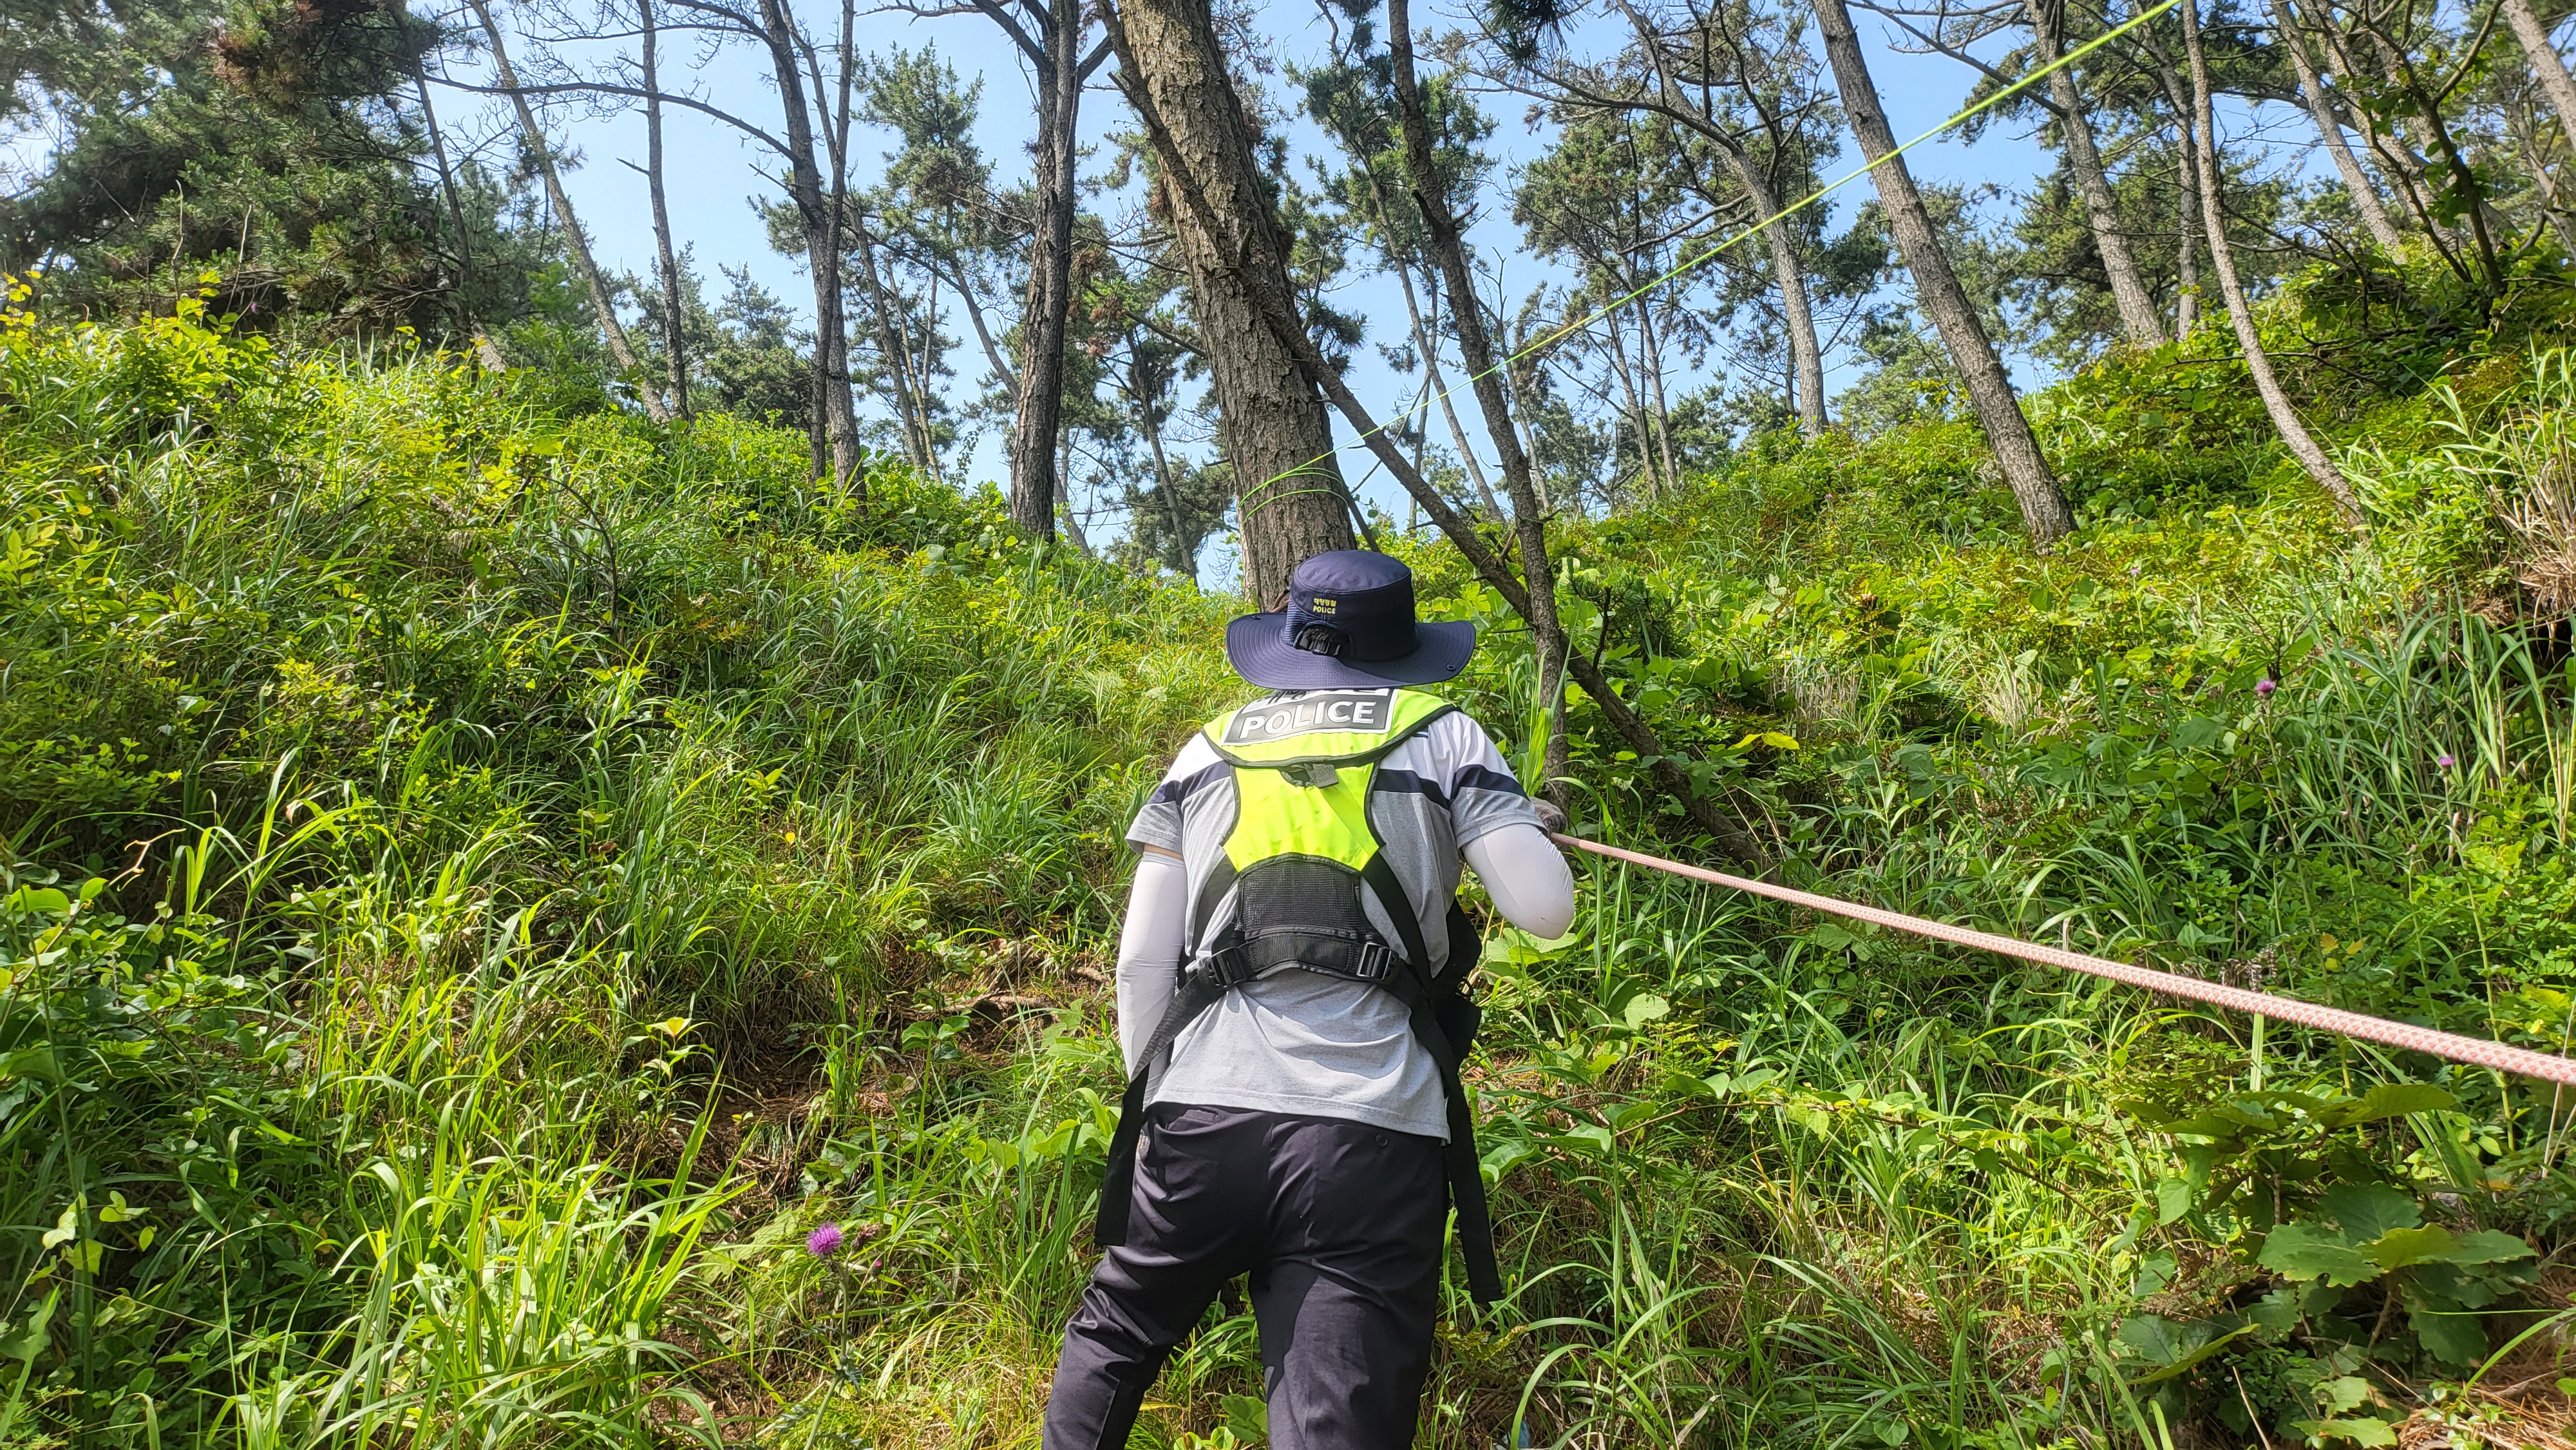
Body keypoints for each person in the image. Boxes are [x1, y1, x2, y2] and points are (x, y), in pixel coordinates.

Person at [1043, 550, 1578, 1450]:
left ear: (1291, 642)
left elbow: (1140, 963)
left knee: (1118, 1329)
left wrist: (1159, 1100)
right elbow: (1545, 911)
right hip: (1369, 1137)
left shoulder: (1207, 749)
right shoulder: (1445, 737)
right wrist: (1512, 821)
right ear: (1402, 645)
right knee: (1335, 1412)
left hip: (1198, 1115)